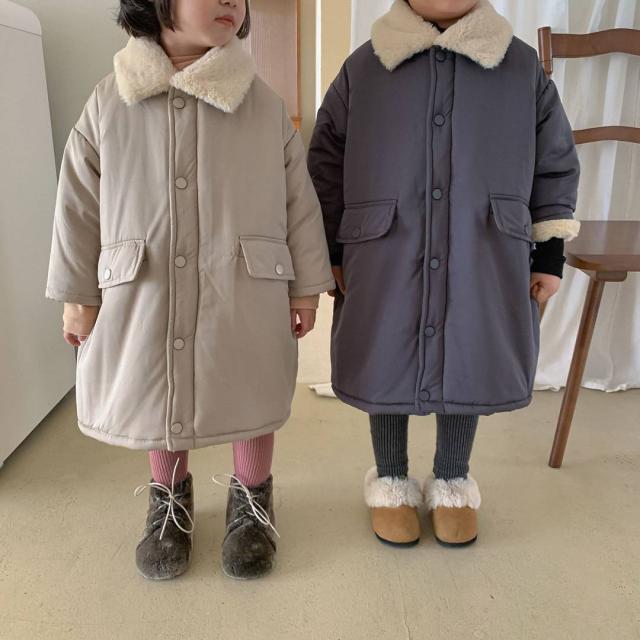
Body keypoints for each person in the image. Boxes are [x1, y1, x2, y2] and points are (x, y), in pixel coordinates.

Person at [45, 0, 334, 580]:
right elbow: (76, 207)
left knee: (249, 383)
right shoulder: (109, 102)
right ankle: (169, 500)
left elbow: (298, 202)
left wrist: (305, 289)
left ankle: (252, 498)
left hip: (243, 286)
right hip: (145, 285)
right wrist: (78, 296)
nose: (231, 1)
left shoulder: (263, 105)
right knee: (160, 387)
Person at [308, 0, 580, 548]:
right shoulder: (365, 67)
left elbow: (553, 160)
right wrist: (330, 248)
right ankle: (390, 480)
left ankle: (453, 479)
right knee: (385, 355)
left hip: (485, 248)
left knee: (468, 351)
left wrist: (549, 255)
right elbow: (326, 162)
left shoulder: (520, 68)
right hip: (384, 249)